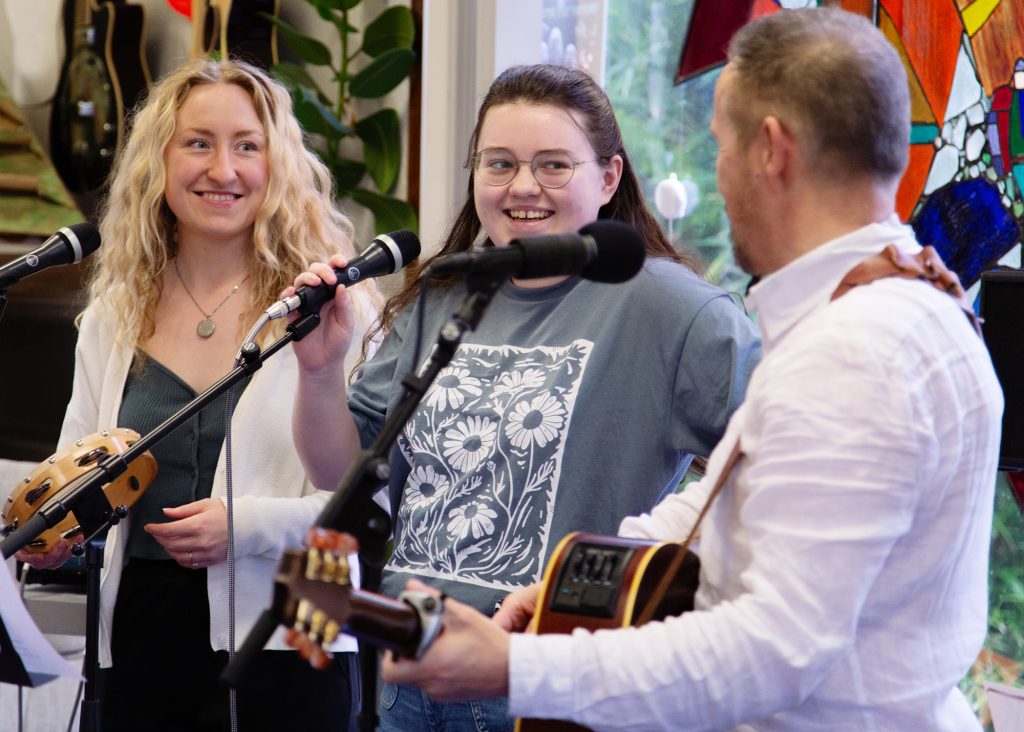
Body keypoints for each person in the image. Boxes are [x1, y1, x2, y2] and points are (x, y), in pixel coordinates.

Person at [377, 8, 1005, 731]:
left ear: (770, 149)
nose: (719, 175)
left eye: (719, 146)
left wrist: (520, 668)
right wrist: (563, 583)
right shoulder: (897, 307)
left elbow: (770, 650)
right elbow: (733, 496)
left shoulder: (857, 352)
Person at [288, 63, 762, 731]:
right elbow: (338, 473)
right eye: (500, 163)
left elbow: (767, 472)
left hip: (546, 679)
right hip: (410, 667)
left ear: (609, 178)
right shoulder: (447, 296)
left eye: (554, 166)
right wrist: (319, 371)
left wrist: (670, 598)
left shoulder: (680, 312)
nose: (523, 187)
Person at [15, 58, 382, 731]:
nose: (223, 170)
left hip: (293, 626)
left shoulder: (333, 310)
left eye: (247, 145)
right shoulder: (115, 313)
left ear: (280, 164)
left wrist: (246, 527)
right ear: (159, 162)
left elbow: (370, 507)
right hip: (139, 632)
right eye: (197, 143)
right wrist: (56, 530)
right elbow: (76, 461)